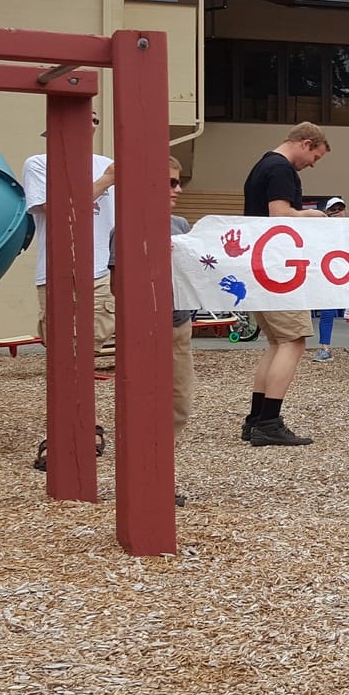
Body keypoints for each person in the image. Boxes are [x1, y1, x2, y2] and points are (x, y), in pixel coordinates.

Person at [239, 122, 331, 447]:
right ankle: (268, 422)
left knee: (278, 343)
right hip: (277, 268)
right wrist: (311, 216)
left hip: (258, 266)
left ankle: (256, 419)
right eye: (315, 157)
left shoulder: (263, 165)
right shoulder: (281, 169)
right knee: (293, 341)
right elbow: (278, 214)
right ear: (305, 143)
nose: (313, 164)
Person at [21, 109, 117, 351]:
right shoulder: (39, 164)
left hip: (101, 268)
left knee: (91, 343)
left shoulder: (106, 165)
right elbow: (55, 209)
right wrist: (105, 181)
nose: (91, 123)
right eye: (84, 116)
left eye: (95, 118)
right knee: (60, 345)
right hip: (56, 270)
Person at [166, 156, 194, 506]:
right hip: (145, 331)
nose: (178, 189)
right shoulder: (123, 227)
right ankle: (150, 475)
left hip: (179, 326)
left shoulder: (181, 225)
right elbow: (117, 287)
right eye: (171, 183)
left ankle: (164, 474)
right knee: (146, 407)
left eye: (179, 181)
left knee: (179, 404)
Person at [311, 196, 348, 362]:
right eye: (334, 210)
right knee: (327, 311)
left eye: (340, 209)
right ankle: (325, 348)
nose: (338, 213)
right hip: (329, 274)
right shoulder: (321, 231)